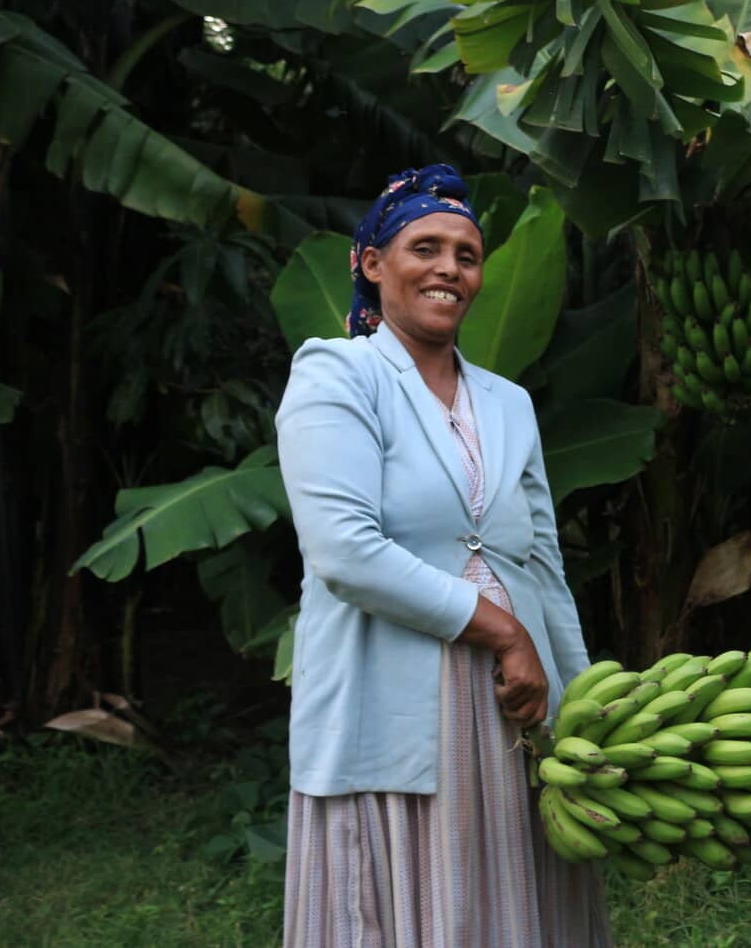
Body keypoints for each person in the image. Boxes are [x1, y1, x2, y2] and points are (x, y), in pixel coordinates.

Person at [275, 165, 610, 947]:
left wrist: (587, 697)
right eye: (424, 246)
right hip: (397, 697)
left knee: (521, 897)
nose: (449, 268)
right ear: (372, 262)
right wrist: (503, 632)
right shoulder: (339, 374)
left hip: (516, 706)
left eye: (466, 253)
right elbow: (344, 552)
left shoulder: (507, 401)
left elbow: (543, 567)